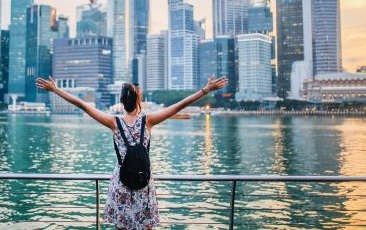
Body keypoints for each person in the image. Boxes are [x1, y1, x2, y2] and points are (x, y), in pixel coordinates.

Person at [36, 75, 228, 229]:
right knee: (147, 226)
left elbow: (83, 105)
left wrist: (56, 89)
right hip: (143, 184)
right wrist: (206, 90)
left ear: (121, 101)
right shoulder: (148, 121)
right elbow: (179, 106)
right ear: (139, 100)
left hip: (122, 183)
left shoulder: (113, 122)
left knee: (122, 226)